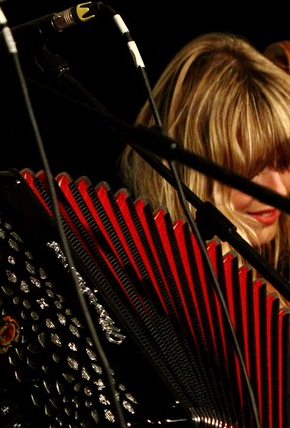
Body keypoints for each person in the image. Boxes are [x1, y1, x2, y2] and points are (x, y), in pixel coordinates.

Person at [118, 32, 290, 285]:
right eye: (248, 171)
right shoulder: (142, 280)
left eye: (285, 162)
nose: (279, 190)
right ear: (189, 172)